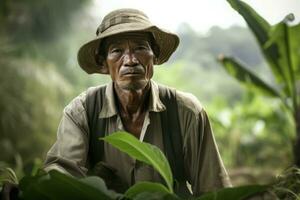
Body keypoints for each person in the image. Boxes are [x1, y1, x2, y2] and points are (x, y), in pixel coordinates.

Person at [43, 8, 231, 196]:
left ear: (154, 55)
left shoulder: (186, 112)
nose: (131, 60)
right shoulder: (82, 111)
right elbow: (61, 176)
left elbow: (213, 191)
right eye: (117, 51)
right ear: (103, 63)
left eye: (141, 48)